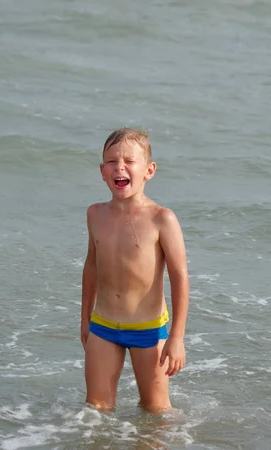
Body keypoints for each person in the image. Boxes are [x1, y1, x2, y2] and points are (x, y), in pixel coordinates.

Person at [80, 128, 189, 413]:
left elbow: (180, 277)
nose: (120, 167)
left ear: (149, 170)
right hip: (103, 326)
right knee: (97, 411)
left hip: (148, 331)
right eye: (112, 161)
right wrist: (84, 320)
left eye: (130, 160)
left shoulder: (161, 219)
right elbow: (91, 266)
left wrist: (176, 337)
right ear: (102, 171)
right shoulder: (95, 214)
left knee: (156, 413)